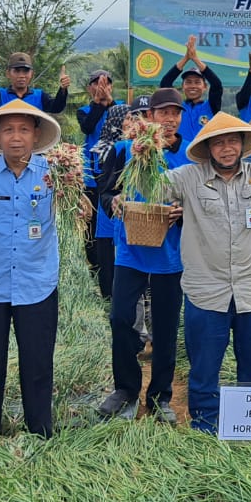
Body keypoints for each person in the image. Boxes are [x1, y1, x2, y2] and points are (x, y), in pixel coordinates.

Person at [162, 112, 251, 435]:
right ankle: (206, 427)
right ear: (208, 148)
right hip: (207, 293)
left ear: (243, 144)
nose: (227, 148)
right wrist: (144, 155)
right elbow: (154, 187)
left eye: (233, 140)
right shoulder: (189, 178)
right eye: (218, 143)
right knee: (204, 369)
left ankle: (247, 428)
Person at [0, 99, 64, 437]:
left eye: (23, 129)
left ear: (36, 135)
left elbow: (82, 213)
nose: (16, 137)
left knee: (37, 363)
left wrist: (75, 193)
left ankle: (40, 431)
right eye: (8, 130)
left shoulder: (54, 174)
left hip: (38, 282)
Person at [95, 87, 190, 423]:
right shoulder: (124, 151)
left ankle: (161, 395)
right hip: (130, 252)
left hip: (169, 256)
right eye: (164, 112)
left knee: (165, 328)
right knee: (120, 318)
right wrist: (115, 204)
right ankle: (125, 390)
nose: (170, 119)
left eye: (176, 113)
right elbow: (105, 192)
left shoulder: (188, 157)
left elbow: (196, 201)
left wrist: (183, 211)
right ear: (150, 117)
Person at [75, 68, 118, 299]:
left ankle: (114, 271)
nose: (101, 87)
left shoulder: (119, 107)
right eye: (96, 83)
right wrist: (98, 103)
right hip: (92, 176)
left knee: (114, 223)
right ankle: (95, 268)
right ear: (89, 88)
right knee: (91, 224)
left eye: (106, 83)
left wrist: (108, 101)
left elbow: (124, 124)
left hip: (115, 176)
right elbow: (88, 127)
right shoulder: (84, 110)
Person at [159, 35, 224, 147]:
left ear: (205, 87)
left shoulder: (211, 106)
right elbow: (165, 84)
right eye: (188, 82)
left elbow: (217, 85)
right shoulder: (178, 107)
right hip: (180, 156)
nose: (192, 86)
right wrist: (186, 58)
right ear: (183, 86)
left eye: (197, 82)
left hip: (203, 158)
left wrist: (195, 59)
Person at [0, 52, 71, 115]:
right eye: (17, 71)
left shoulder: (40, 96)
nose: (21, 75)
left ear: (32, 74)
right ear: (8, 73)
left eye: (26, 71)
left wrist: (62, 89)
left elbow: (56, 107)